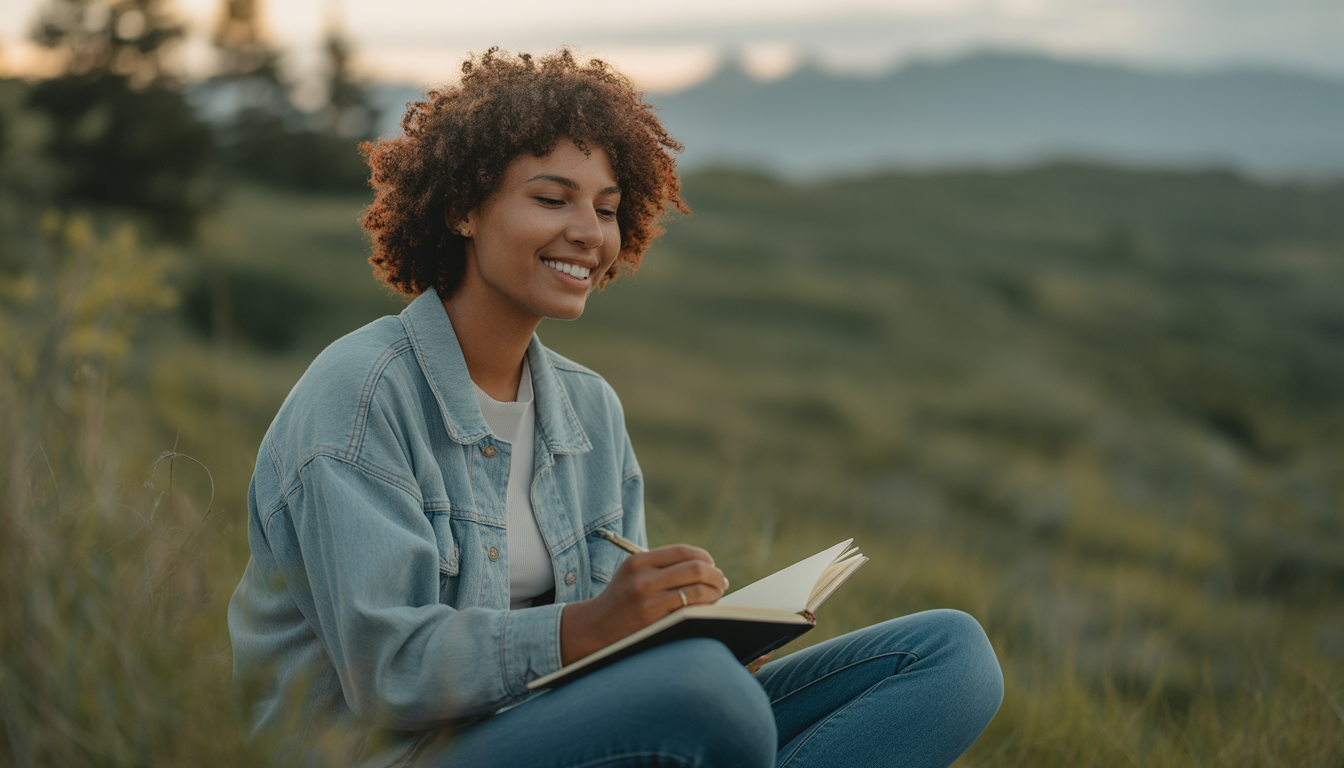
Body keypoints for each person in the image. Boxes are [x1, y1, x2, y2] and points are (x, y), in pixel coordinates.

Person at [227, 48, 1003, 768]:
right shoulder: (361, 396)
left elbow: (603, 663)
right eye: (551, 198)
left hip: (557, 733)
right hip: (393, 755)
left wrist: (682, 634)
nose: (587, 233)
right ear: (463, 209)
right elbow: (387, 672)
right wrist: (596, 629)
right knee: (706, 700)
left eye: (606, 208)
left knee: (949, 659)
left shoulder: (588, 412)